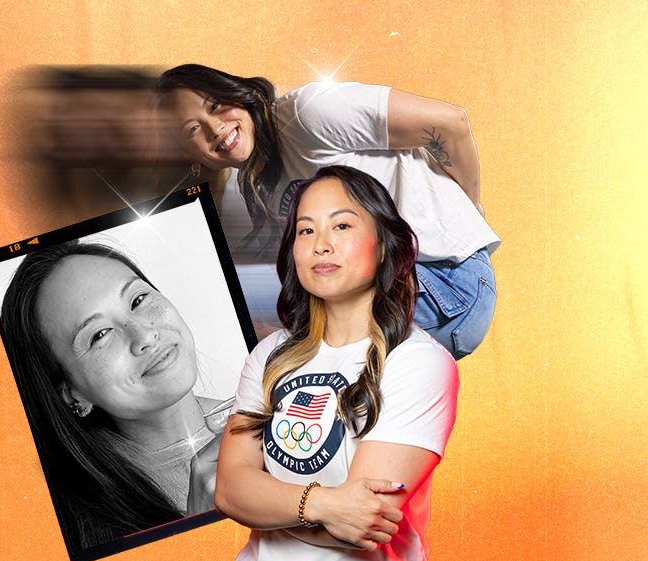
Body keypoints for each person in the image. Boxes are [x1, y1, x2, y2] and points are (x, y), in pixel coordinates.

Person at [215, 166, 458, 561]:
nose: (320, 244)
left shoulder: (418, 362)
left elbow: (362, 527)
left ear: (385, 245)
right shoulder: (270, 355)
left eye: (341, 225)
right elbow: (230, 491)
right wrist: (324, 506)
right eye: (305, 231)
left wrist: (269, 500)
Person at [157, 64, 500, 359]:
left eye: (215, 105)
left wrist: (471, 208)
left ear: (235, 92)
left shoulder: (308, 114)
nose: (215, 128)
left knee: (267, 300)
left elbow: (450, 123)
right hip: (407, 301)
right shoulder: (254, 182)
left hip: (448, 284)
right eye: (192, 131)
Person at [0, 240, 226, 552]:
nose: (144, 336)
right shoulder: (72, 527)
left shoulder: (274, 415)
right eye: (99, 335)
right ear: (71, 395)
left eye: (138, 299)